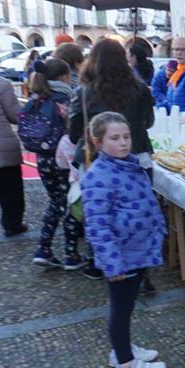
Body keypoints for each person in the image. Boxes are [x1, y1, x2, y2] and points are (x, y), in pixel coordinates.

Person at [81, 111, 167, 368]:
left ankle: (122, 349)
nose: (123, 143)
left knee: (127, 306)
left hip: (137, 250)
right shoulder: (98, 176)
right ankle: (126, 366)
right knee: (121, 309)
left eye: (126, 136)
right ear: (98, 142)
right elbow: (97, 226)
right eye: (115, 138)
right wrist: (112, 263)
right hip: (122, 257)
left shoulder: (129, 165)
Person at [68, 39, 155, 281]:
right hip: (136, 155)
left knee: (98, 213)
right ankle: (138, 264)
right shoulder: (141, 89)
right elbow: (148, 122)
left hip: (97, 159)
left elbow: (74, 131)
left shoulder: (83, 92)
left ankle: (98, 262)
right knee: (135, 210)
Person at [23, 58, 84, 269]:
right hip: (63, 158)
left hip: (42, 158)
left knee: (55, 202)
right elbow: (74, 128)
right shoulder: (64, 98)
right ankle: (71, 254)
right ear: (64, 76)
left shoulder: (37, 97)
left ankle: (44, 248)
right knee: (71, 204)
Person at [0, 42, 27, 240]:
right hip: (0, 143)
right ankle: (12, 224)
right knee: (10, 187)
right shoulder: (1, 84)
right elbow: (15, 115)